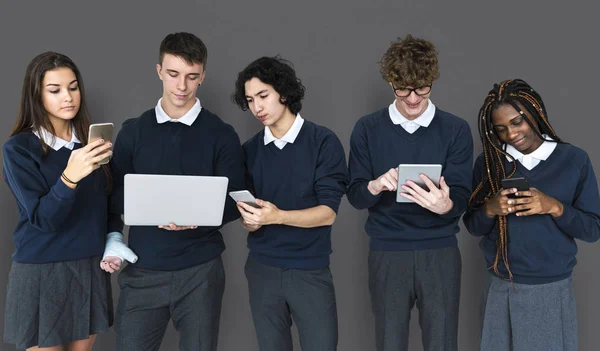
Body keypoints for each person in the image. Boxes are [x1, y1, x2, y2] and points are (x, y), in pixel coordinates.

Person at [105, 32, 245, 351]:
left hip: (201, 272)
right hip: (142, 267)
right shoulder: (133, 132)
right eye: (173, 74)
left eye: (192, 77)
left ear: (203, 77)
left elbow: (236, 199)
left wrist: (198, 218)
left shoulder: (221, 135)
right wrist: (114, 238)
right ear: (159, 71)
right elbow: (113, 199)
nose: (182, 86)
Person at [346, 35, 473, 351]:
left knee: (442, 341)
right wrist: (375, 185)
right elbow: (355, 195)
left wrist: (446, 205)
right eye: (403, 89)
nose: (413, 98)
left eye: (421, 88)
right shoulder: (367, 128)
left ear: (431, 81)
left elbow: (463, 193)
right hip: (388, 252)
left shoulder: (455, 129)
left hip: (440, 252)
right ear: (391, 82)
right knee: (390, 341)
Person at [463, 78, 600, 351]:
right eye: (500, 129)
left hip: (549, 288)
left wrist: (555, 207)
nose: (511, 134)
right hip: (499, 287)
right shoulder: (491, 163)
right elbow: (473, 226)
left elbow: (593, 230)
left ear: (535, 113)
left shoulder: (573, 160)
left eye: (517, 122)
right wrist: (490, 209)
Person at [231, 56, 348, 351]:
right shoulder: (250, 150)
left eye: (263, 95)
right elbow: (251, 211)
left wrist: (277, 216)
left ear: (283, 92)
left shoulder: (323, 142)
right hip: (262, 270)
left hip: (309, 271)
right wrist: (250, 219)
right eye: (250, 100)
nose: (257, 107)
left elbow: (327, 213)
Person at [2, 51, 116, 351]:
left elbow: (104, 208)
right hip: (43, 269)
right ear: (37, 96)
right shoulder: (19, 149)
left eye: (73, 87)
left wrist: (115, 241)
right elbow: (44, 219)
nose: (68, 97)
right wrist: (69, 177)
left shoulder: (92, 146)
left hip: (89, 268)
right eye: (55, 90)